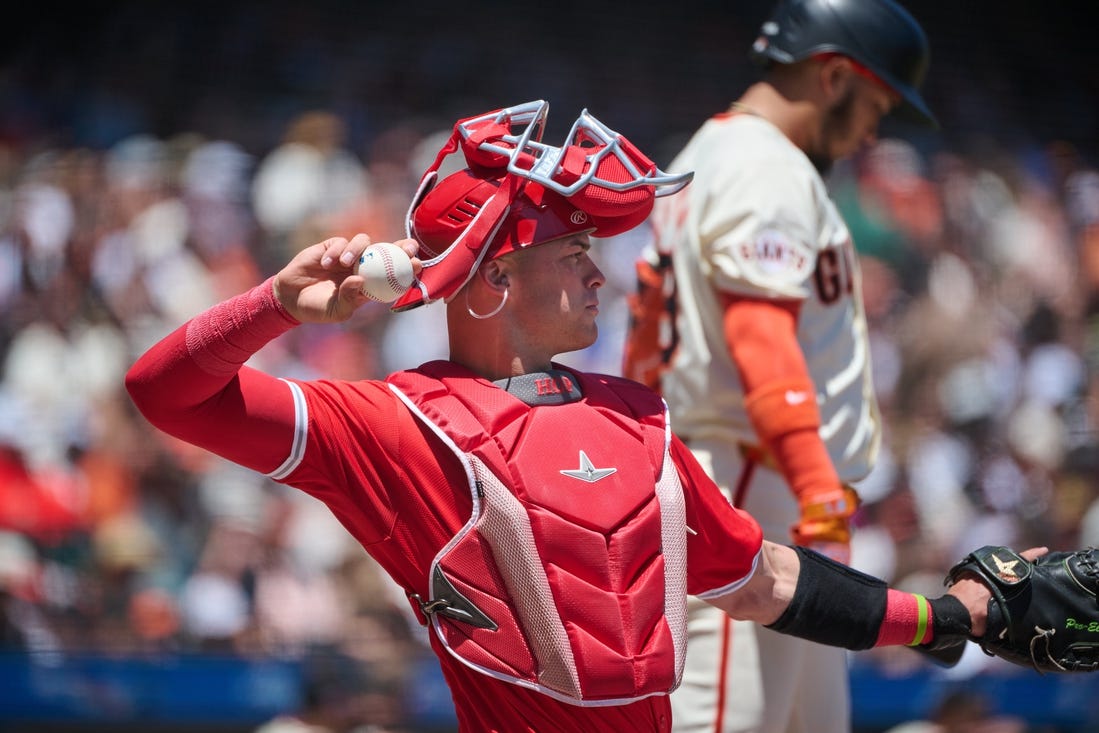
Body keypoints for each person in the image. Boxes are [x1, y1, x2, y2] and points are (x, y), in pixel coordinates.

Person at [127, 100, 1023, 733]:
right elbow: (164, 392)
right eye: (571, 251)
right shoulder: (391, 424)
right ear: (495, 278)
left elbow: (762, 582)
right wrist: (277, 307)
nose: (599, 272)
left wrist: (945, 617)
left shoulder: (637, 415)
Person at [621, 1, 939, 732]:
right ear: (832, 75)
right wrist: (816, 487)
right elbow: (757, 334)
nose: (872, 131)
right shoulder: (760, 163)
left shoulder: (719, 153)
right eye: (876, 104)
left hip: (758, 474)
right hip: (747, 479)